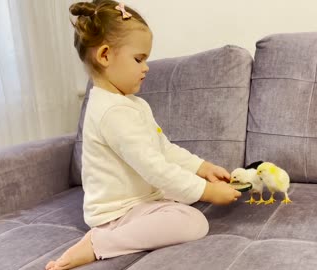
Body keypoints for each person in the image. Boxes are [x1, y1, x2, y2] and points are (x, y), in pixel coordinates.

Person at [45, 1, 241, 269]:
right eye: (139, 59)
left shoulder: (133, 105)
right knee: (194, 222)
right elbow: (154, 167)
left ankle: (112, 236)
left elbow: (164, 149)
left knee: (183, 206)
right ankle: (99, 243)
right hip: (117, 214)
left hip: (141, 205)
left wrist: (202, 168)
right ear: (104, 56)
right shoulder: (112, 112)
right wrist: (206, 192)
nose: (146, 67)